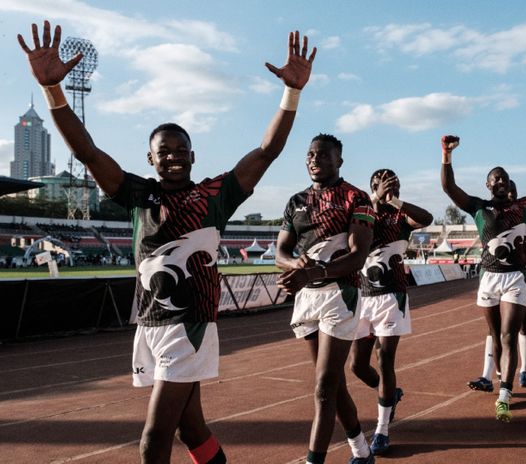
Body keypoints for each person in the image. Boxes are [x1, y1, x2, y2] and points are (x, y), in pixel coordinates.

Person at [18, 20, 314, 463]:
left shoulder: (216, 195)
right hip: (150, 323)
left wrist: (291, 93)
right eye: (164, 151)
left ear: (193, 156)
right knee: (190, 429)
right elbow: (88, 153)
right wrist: (52, 90)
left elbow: (266, 151)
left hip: (189, 325)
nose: (173, 157)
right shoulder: (137, 194)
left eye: (180, 150)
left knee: (153, 438)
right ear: (150, 159)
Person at [441, 133, 526, 421]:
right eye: (496, 178)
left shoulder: (525, 206)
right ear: (488, 185)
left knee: (508, 335)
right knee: (494, 336)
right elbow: (449, 187)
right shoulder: (478, 207)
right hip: (488, 279)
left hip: (515, 277)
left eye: (504, 177)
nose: (501, 181)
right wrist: (446, 155)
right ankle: (495, 375)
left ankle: (504, 394)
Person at [276, 133, 376, 464]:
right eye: (310, 154)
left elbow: (358, 256)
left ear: (339, 161)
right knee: (333, 385)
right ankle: (362, 451)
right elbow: (280, 252)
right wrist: (295, 266)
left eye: (322, 154)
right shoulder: (295, 201)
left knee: (323, 387)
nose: (314, 159)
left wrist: (313, 273)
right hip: (306, 297)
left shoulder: (357, 198)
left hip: (340, 295)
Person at [349, 169, 433, 455]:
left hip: (391, 296)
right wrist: (374, 199)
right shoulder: (362, 214)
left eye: (393, 183)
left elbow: (427, 218)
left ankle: (382, 430)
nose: (387, 187)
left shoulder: (401, 217)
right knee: (357, 366)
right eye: (381, 183)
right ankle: (390, 393)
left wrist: (395, 201)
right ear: (372, 187)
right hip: (363, 297)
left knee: (385, 360)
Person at [469, 142, 526, 392]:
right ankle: (489, 375)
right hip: (492, 272)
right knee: (495, 330)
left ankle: (523, 369)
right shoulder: (493, 211)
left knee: (520, 325)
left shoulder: (524, 208)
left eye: (512, 191)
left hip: (521, 272)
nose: (509, 195)